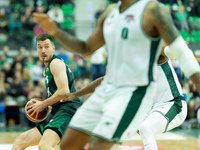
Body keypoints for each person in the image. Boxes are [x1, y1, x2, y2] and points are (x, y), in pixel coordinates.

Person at [33, 0, 200, 150]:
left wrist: (177, 49)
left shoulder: (151, 13)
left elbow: (172, 51)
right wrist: (55, 31)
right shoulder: (111, 14)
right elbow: (86, 50)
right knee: (70, 144)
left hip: (169, 103)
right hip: (140, 103)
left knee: (142, 129)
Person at [56, 42, 188, 150]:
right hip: (151, 108)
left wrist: (177, 48)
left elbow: (167, 51)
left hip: (174, 103)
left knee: (145, 128)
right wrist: (75, 94)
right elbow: (102, 81)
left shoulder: (154, 51)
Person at [12, 34, 81, 150]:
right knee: (20, 141)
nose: (43, 50)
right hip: (57, 112)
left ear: (53, 48)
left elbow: (64, 91)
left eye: (46, 47)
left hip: (67, 111)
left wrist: (43, 104)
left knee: (45, 146)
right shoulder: (47, 69)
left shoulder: (56, 63)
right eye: (40, 47)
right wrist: (50, 105)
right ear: (36, 50)